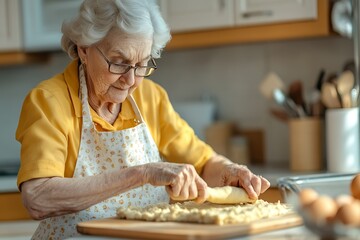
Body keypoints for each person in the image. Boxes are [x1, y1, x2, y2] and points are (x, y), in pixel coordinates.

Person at [15, 0, 270, 239]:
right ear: (84, 48)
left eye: (142, 64)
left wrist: (229, 172)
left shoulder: (150, 97)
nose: (130, 80)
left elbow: (203, 165)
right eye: (119, 62)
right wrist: (142, 174)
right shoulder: (49, 101)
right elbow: (38, 198)